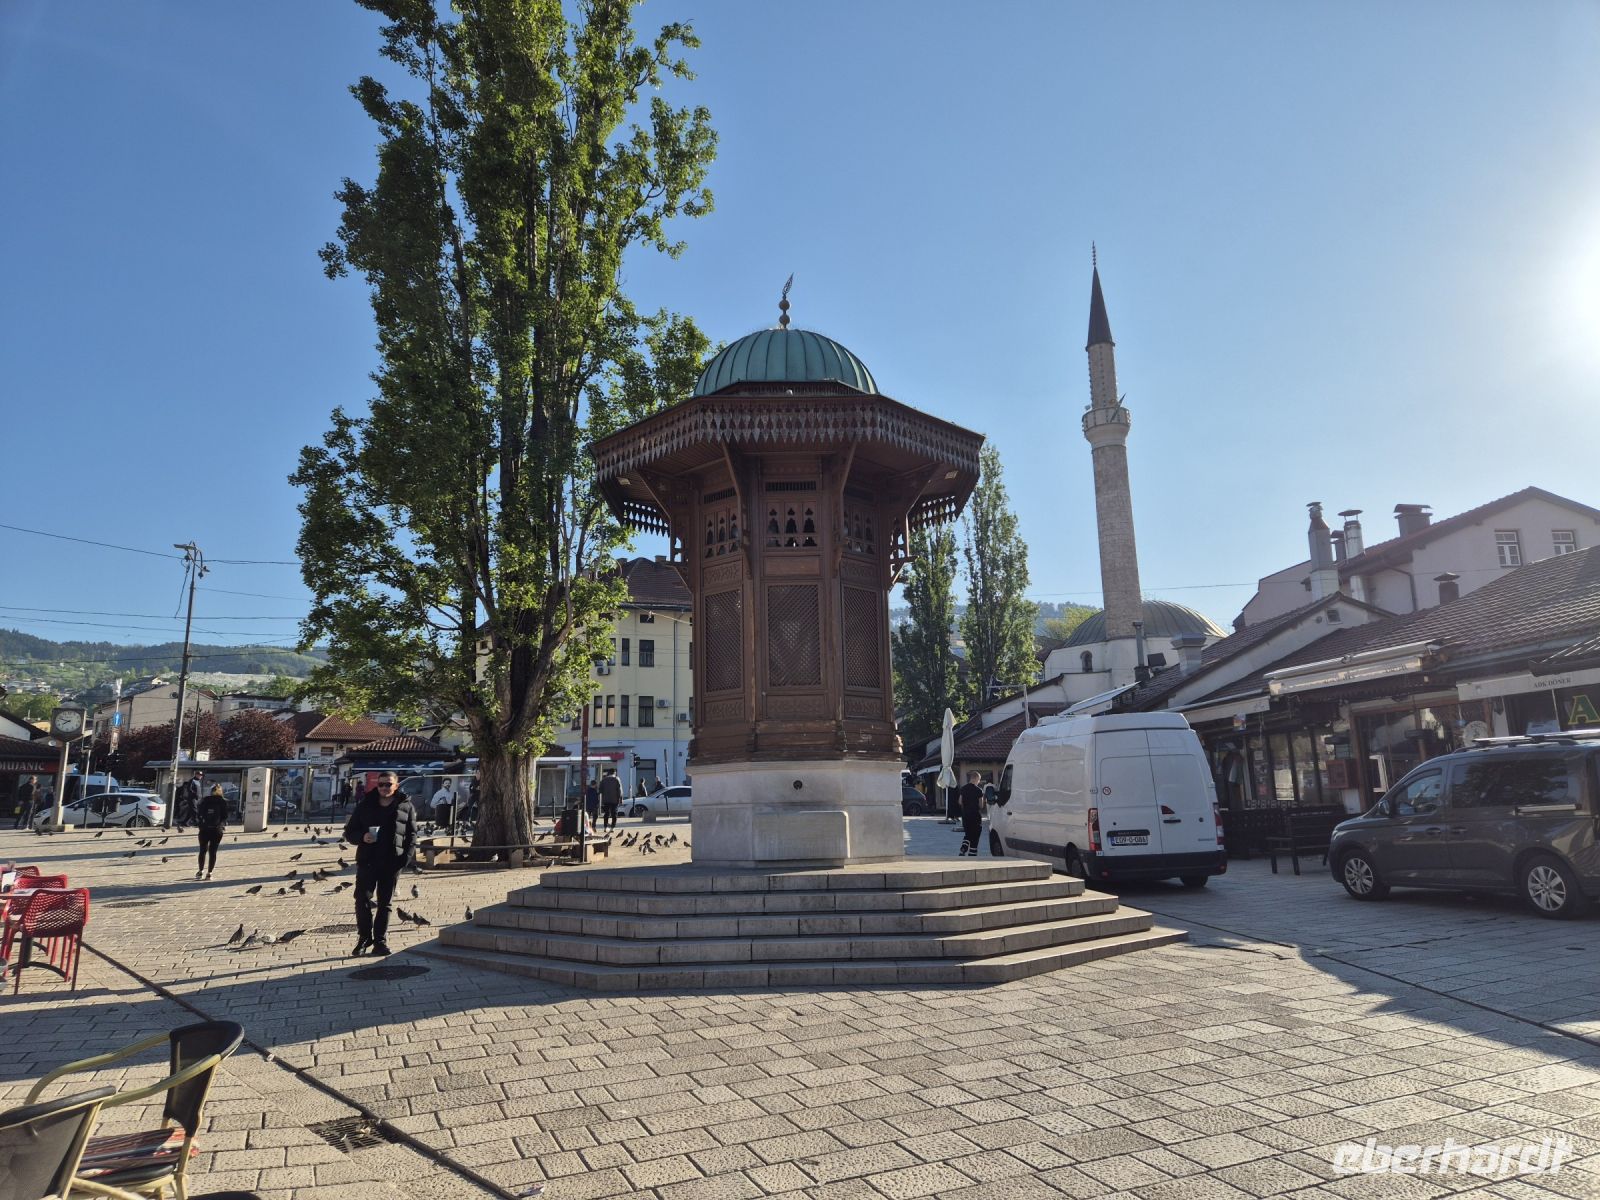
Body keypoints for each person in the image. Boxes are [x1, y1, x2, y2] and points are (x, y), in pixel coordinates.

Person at [341, 771, 418, 957]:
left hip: (392, 862)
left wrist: (405, 859)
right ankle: (364, 938)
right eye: (381, 784)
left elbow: (412, 835)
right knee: (362, 899)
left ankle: (380, 941)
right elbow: (350, 831)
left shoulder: (406, 806)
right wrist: (362, 837)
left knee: (385, 903)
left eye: (388, 784)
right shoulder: (366, 804)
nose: (384, 788)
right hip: (368, 860)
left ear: (396, 786)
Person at [195, 784, 227, 880]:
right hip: (217, 829)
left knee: (202, 850)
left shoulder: (205, 800)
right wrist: (220, 825)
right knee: (213, 852)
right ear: (220, 791)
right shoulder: (222, 801)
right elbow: (225, 816)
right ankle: (209, 873)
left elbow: (199, 814)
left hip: (204, 829)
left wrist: (201, 824)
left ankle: (200, 872)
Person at [957, 771, 986, 856]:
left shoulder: (963, 788)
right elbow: (981, 805)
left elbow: (959, 801)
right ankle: (972, 853)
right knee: (976, 834)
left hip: (965, 816)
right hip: (975, 816)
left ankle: (964, 847)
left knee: (968, 833)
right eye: (979, 780)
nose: (979, 782)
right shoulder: (979, 790)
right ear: (976, 779)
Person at [598, 767, 622, 832]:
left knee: (606, 814)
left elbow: (600, 790)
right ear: (614, 772)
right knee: (614, 813)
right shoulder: (617, 779)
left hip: (606, 799)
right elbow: (619, 790)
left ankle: (605, 827)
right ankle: (612, 828)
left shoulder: (603, 780)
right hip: (615, 800)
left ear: (609, 772)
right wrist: (620, 798)